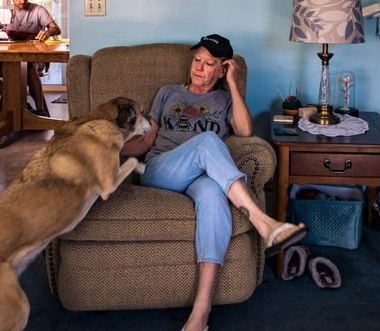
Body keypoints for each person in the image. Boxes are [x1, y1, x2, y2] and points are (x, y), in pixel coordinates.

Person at [121, 34, 308, 331]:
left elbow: (245, 132)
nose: (198, 68)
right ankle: (263, 223)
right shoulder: (168, 92)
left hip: (202, 178)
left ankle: (201, 311)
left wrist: (233, 84)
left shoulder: (225, 98)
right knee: (207, 141)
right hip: (162, 170)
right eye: (197, 60)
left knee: (212, 194)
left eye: (209, 64)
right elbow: (146, 140)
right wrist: (111, 149)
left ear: (222, 70)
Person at [0, 0, 61, 117]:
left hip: (34, 59)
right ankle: (20, 102)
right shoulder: (5, 12)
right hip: (9, 60)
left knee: (28, 68)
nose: (22, 1)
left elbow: (56, 29)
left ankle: (39, 110)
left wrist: (48, 32)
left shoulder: (38, 10)